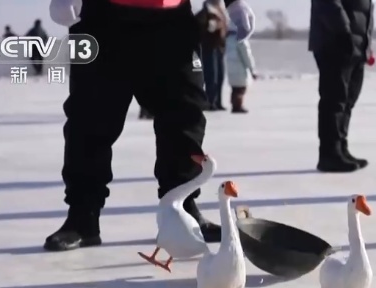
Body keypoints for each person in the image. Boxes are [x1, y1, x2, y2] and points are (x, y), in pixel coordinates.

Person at [44, 0, 224, 252]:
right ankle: (83, 217)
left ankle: (182, 210)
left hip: (173, 22)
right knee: (89, 118)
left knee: (184, 117)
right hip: (102, 19)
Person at [308, 0, 373, 173]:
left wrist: (365, 43)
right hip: (334, 40)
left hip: (356, 43)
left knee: (348, 99)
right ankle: (329, 153)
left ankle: (341, 147)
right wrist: (342, 31)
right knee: (334, 98)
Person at [225, 0, 256, 113]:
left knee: (235, 89)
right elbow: (246, 55)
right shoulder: (241, 39)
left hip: (231, 69)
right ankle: (238, 106)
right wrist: (252, 69)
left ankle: (234, 105)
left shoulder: (228, 39)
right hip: (240, 69)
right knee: (241, 89)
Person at [196, 0, 227, 111]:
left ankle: (218, 101)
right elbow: (201, 30)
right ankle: (210, 101)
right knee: (211, 76)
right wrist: (213, 26)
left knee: (220, 76)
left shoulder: (222, 13)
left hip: (219, 49)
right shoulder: (204, 14)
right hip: (209, 48)